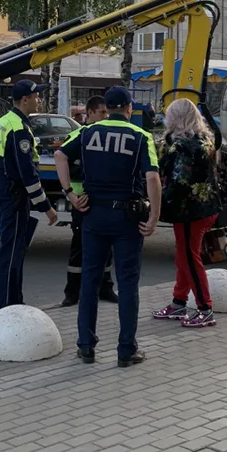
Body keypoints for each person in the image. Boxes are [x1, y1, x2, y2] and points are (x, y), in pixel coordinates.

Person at [56, 86, 161, 367]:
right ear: (128, 108)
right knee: (127, 284)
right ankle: (126, 350)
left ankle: (86, 347)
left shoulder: (86, 132)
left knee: (89, 280)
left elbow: (60, 156)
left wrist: (70, 194)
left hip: (93, 215)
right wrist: (154, 217)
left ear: (107, 108)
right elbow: (152, 178)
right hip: (127, 219)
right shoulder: (141, 136)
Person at [152, 98, 221, 328]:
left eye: (169, 115)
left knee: (190, 258)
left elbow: (179, 182)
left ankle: (205, 309)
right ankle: (179, 302)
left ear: (176, 118)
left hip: (189, 210)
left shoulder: (182, 146)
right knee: (185, 256)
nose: (166, 119)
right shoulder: (204, 140)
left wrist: (158, 203)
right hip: (205, 206)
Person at [0, 80, 58, 310]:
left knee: (13, 250)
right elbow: (27, 174)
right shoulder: (18, 129)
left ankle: (14, 302)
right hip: (15, 194)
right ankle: (5, 308)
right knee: (11, 253)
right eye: (36, 96)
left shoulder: (5, 121)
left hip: (5, 189)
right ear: (25, 99)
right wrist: (46, 207)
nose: (39, 99)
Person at [60, 95, 117, 307]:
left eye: (107, 112)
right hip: (82, 202)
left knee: (107, 246)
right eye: (102, 112)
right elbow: (63, 161)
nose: (106, 116)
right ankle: (72, 292)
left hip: (103, 200)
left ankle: (105, 288)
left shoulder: (109, 136)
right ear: (90, 113)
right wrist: (70, 194)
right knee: (79, 246)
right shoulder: (78, 135)